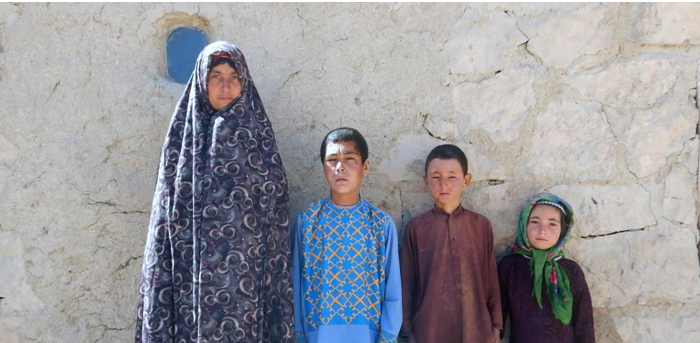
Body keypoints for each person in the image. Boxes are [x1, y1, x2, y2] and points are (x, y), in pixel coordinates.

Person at [135, 41, 294, 343]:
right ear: (202, 81)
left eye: (234, 77)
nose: (226, 86)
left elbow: (274, 215)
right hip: (189, 282)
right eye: (216, 76)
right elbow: (165, 216)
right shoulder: (182, 139)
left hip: (245, 283)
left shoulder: (259, 138)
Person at [292, 127, 402, 343]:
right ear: (323, 167)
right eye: (332, 160)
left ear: (365, 166)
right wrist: (299, 336)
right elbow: (295, 285)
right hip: (318, 336)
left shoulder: (380, 224)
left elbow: (393, 289)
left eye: (350, 159)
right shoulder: (307, 222)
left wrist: (388, 337)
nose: (340, 167)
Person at [400, 144, 502, 343]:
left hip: (477, 330)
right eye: (436, 177)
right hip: (429, 331)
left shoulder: (481, 226)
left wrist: (496, 327)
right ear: (425, 181)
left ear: (466, 180)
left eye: (452, 176)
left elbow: (491, 279)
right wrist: (409, 332)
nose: (443, 184)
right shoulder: (416, 229)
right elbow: (407, 285)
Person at [498, 193, 595, 343]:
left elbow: (584, 322)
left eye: (552, 224)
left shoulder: (571, 270)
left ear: (563, 230)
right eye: (535, 221)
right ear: (524, 225)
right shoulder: (510, 266)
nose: (542, 230)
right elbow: (497, 317)